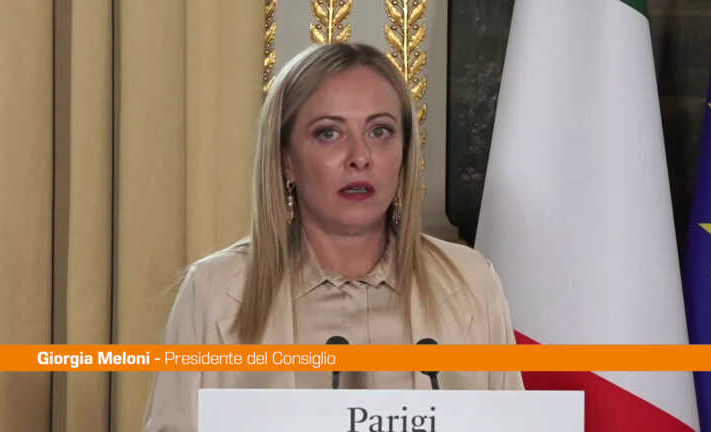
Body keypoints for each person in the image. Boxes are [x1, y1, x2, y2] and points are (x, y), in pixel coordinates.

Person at [145, 42, 523, 432]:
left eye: (380, 131)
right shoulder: (216, 292)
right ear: (286, 159)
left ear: (404, 153)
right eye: (329, 133)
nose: (360, 157)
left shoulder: (471, 283)